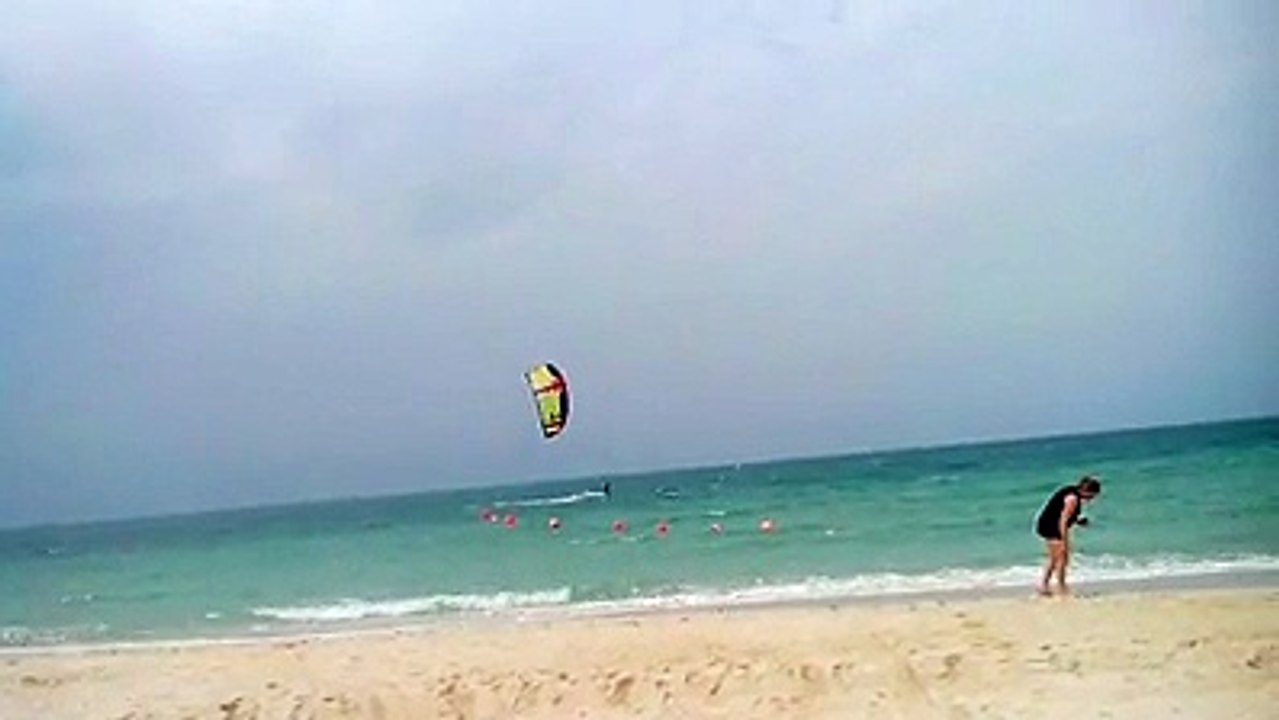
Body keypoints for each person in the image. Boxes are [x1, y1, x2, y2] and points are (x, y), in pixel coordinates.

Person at [1034, 475, 1102, 597]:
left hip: (1048, 523)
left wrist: (1077, 520)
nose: (1091, 499)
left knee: (1054, 557)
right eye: (1092, 496)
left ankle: (1044, 586)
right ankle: (1061, 587)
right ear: (1086, 491)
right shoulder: (1072, 499)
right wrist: (1065, 541)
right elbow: (1063, 521)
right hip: (1050, 527)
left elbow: (1061, 511)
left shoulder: (1073, 492)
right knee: (1062, 557)